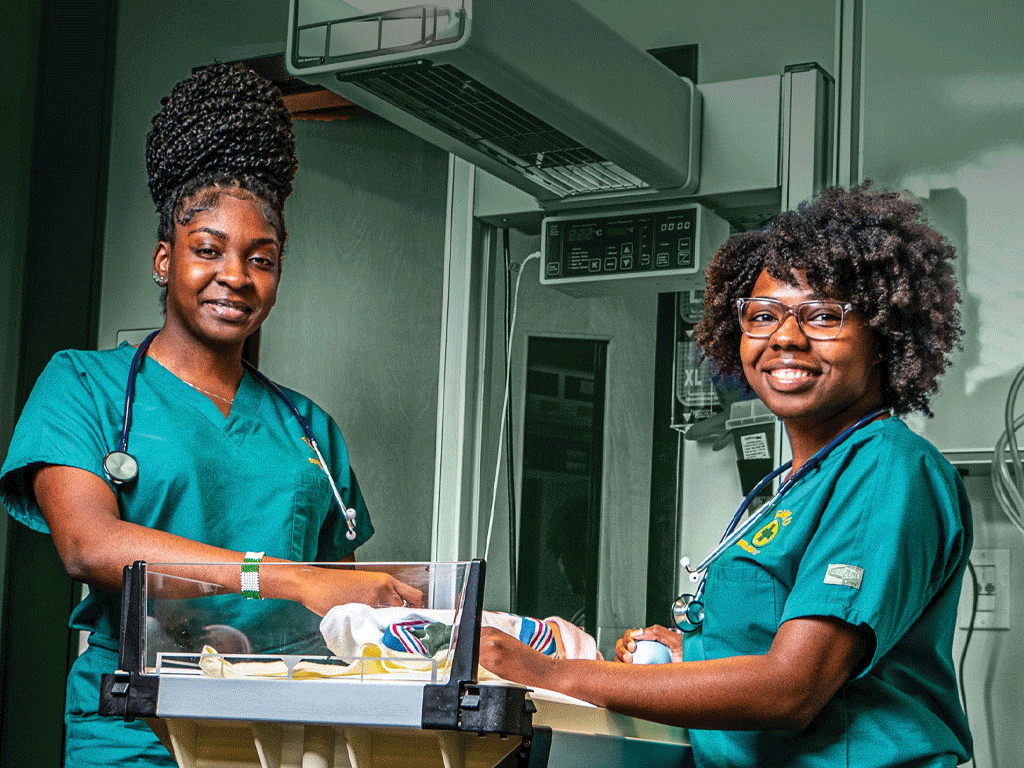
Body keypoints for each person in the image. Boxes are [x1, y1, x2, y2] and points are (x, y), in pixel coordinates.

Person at [0, 63, 420, 767]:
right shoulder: (84, 385)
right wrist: (284, 576)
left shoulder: (310, 430)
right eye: (208, 250)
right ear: (165, 259)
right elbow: (88, 545)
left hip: (281, 729)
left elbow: (337, 605)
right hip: (134, 725)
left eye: (263, 259)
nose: (236, 276)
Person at [477, 183, 973, 768]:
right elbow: (778, 638)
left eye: (821, 315)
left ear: (883, 333)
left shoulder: (888, 469)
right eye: (763, 315)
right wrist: (694, 649)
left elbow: (792, 686)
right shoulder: (792, 483)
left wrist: (549, 672)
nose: (785, 336)